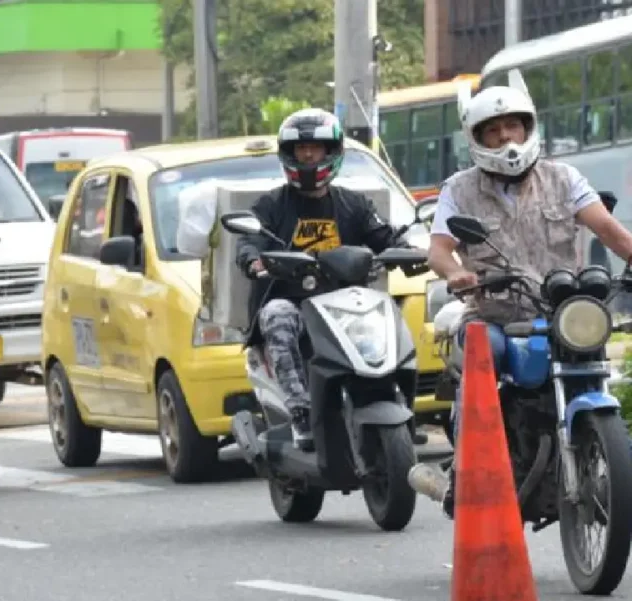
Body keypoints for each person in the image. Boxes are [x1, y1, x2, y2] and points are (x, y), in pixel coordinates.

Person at [426, 79, 632, 518]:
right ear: (477, 139)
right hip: (494, 315)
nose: (506, 138)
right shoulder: (458, 189)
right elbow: (439, 250)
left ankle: (600, 454)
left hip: (561, 312)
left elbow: (610, 231)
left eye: (514, 126)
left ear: (529, 127)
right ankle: (465, 473)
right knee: (484, 354)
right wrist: (458, 273)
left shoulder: (564, 178)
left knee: (591, 356)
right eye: (494, 130)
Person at [235, 108, 419, 451]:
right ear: (288, 155)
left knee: (390, 313)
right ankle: (300, 410)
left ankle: (400, 403)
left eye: (315, 149)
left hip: (346, 305)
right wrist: (254, 260)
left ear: (331, 152)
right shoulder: (272, 205)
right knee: (276, 314)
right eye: (301, 150)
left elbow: (384, 236)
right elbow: (250, 239)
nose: (307, 155)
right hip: (293, 302)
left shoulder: (354, 204)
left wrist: (407, 253)